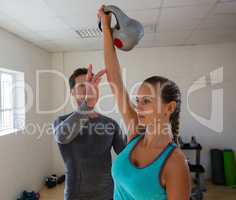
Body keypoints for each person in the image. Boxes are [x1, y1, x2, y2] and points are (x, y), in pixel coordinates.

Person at [97, 6, 191, 200]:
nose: (138, 107)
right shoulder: (135, 134)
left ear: (169, 108)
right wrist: (106, 29)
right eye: (138, 100)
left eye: (146, 101)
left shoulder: (175, 163)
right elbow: (114, 80)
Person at [53, 66, 127, 200]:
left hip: (107, 194)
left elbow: (126, 153)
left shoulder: (110, 124)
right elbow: (62, 136)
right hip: (75, 196)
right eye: (82, 85)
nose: (87, 89)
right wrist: (87, 105)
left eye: (90, 85)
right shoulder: (61, 122)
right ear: (72, 92)